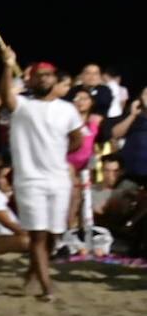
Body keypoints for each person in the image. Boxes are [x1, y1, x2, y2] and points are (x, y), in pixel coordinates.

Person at [0, 47, 83, 301]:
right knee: (37, 234)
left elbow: (77, 139)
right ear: (31, 79)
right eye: (40, 75)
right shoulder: (23, 106)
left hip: (58, 180)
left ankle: (33, 272)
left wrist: (55, 153)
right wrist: (8, 64)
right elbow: (6, 97)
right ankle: (48, 287)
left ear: (55, 80)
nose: (45, 78)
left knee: (53, 234)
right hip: (30, 180)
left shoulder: (67, 109)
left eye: (49, 75)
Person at [65, 86, 103, 233]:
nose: (80, 102)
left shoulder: (95, 122)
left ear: (91, 102)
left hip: (86, 165)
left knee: (85, 197)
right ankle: (67, 231)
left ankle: (82, 231)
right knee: (73, 195)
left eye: (84, 99)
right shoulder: (67, 120)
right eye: (77, 98)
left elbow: (95, 145)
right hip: (67, 163)